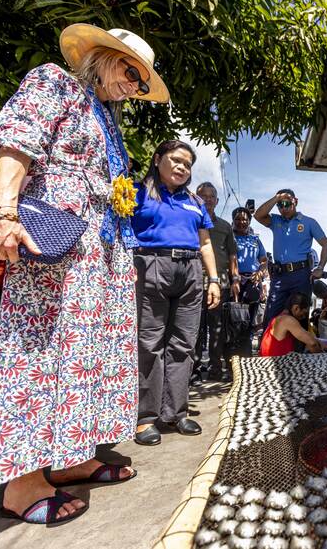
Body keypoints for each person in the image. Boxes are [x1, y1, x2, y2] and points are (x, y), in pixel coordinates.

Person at [0, 24, 169, 523]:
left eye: (142, 83)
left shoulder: (106, 117)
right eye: (131, 72)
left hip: (101, 254)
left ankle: (69, 462)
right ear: (103, 56)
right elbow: (16, 141)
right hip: (56, 250)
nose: (135, 86)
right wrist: (2, 213)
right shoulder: (55, 83)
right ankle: (22, 483)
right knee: (41, 352)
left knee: (88, 357)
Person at [131, 140, 221, 446]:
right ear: (157, 159)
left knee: (184, 344)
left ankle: (175, 412)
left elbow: (206, 243)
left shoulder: (194, 201)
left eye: (188, 164)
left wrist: (214, 280)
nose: (182, 167)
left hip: (190, 271)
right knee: (150, 343)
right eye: (176, 160)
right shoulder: (136, 192)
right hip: (150, 266)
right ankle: (145, 418)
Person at [255, 188, 327, 329]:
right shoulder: (275, 221)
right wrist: (276, 198)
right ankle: (268, 350)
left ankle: (299, 351)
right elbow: (258, 215)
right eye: (280, 205)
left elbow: (326, 245)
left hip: (301, 275)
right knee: (272, 315)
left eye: (287, 203)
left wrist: (320, 267)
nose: (284, 208)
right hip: (279, 276)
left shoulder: (309, 222)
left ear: (295, 202)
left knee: (299, 316)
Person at [192, 182, 238, 384]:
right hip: (193, 283)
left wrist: (235, 279)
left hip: (220, 284)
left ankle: (215, 369)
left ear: (217, 201)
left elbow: (232, 255)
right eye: (204, 196)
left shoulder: (225, 226)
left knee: (218, 329)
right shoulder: (190, 222)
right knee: (194, 329)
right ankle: (193, 370)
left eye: (212, 196)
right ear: (196, 198)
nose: (208, 200)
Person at [231, 206, 268, 357]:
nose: (241, 222)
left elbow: (264, 260)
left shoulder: (255, 240)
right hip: (235, 282)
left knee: (249, 322)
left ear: (249, 221)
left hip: (253, 283)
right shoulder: (230, 237)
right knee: (234, 321)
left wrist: (260, 271)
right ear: (233, 221)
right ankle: (231, 358)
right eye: (238, 219)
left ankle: (245, 357)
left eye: (245, 219)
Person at [259, 292, 323, 356]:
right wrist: (322, 356)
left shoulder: (280, 317)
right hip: (276, 361)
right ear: (296, 308)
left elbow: (308, 337)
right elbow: (312, 344)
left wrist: (318, 341)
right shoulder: (288, 320)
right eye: (303, 313)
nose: (303, 317)